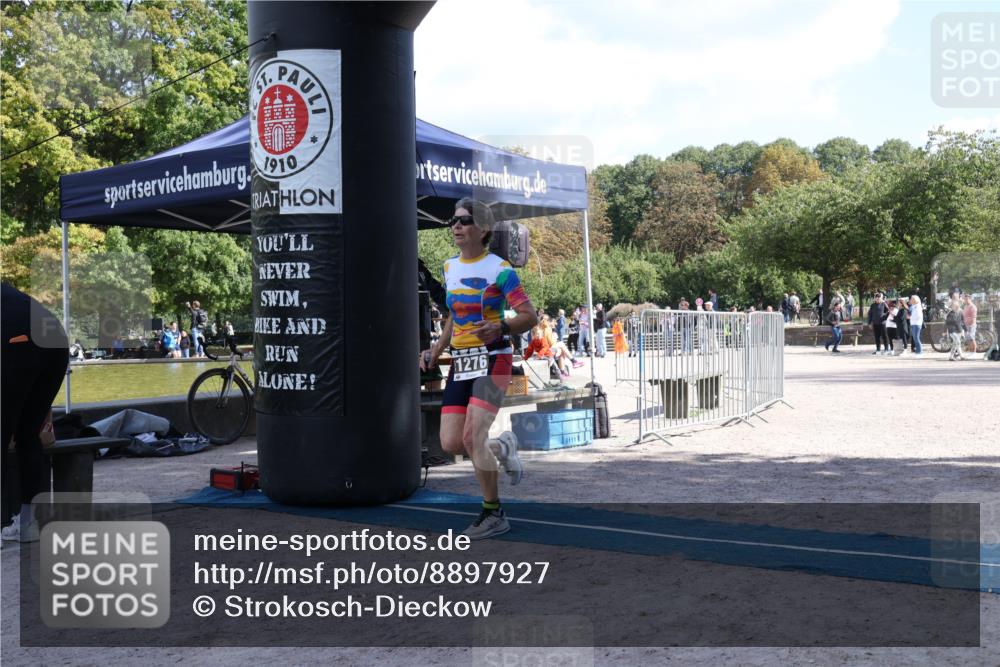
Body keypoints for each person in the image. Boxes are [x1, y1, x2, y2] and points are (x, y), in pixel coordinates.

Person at [419, 198, 537, 540]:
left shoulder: (500, 269)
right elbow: (455, 315)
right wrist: (435, 349)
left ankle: (493, 512)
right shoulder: (449, 267)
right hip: (462, 361)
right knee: (452, 442)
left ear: (483, 229)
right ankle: (503, 448)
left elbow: (529, 315)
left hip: (494, 358)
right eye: (453, 221)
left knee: (472, 437)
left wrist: (501, 328)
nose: (456, 226)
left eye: (465, 220)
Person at [2, 284, 70, 542]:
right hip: (55, 341)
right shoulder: (9, 296)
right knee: (28, 434)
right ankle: (28, 524)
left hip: (17, 340)